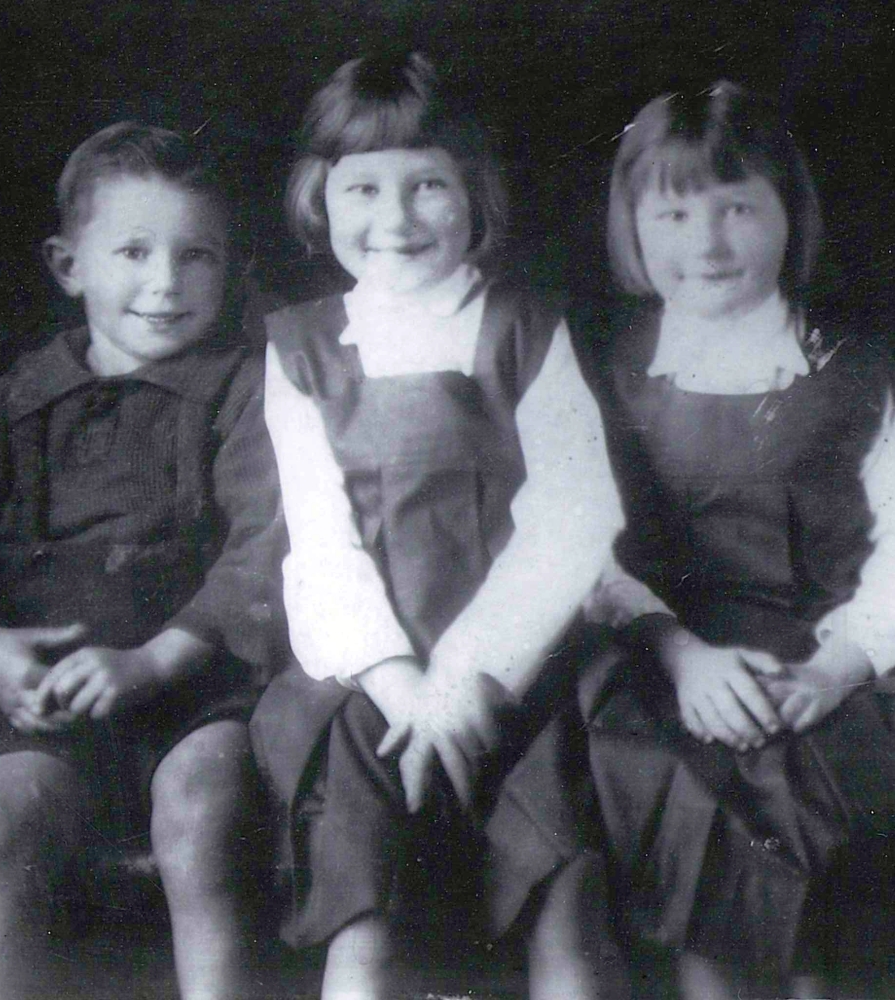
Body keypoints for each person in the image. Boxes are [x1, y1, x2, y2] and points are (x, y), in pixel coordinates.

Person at [513, 81, 895, 998]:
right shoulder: (604, 364)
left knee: (795, 793)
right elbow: (578, 550)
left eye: (738, 209)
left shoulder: (854, 366)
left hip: (819, 671)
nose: (706, 244)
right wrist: (680, 655)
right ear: (633, 226)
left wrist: (838, 670)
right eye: (673, 214)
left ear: (790, 215)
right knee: (682, 788)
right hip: (654, 658)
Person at [250, 51, 624, 1000]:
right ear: (319, 200)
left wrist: (466, 678)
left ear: (476, 196)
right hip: (369, 685)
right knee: (364, 924)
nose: (395, 218)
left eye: (427, 185)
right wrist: (404, 684)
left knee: (566, 914)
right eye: (364, 187)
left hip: (525, 670)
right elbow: (319, 540)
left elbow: (575, 517)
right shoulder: (298, 347)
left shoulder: (528, 326)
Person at [0, 121, 286, 1000]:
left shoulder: (243, 392)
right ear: (68, 265)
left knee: (208, 811)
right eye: (133, 252)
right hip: (43, 702)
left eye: (197, 256)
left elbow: (262, 547)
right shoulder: (13, 406)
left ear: (229, 268)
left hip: (199, 687)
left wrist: (157, 661)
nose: (164, 283)